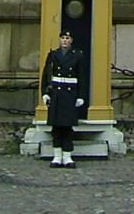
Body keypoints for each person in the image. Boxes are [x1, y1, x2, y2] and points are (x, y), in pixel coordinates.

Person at [41, 30, 84, 168]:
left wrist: (80, 96)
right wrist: (45, 92)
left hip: (70, 94)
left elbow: (82, 77)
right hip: (56, 93)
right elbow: (46, 75)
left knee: (67, 126)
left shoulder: (77, 55)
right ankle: (57, 156)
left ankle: (67, 156)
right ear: (60, 40)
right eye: (63, 38)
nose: (65, 40)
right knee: (56, 126)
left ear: (71, 41)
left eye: (67, 38)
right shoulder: (53, 55)